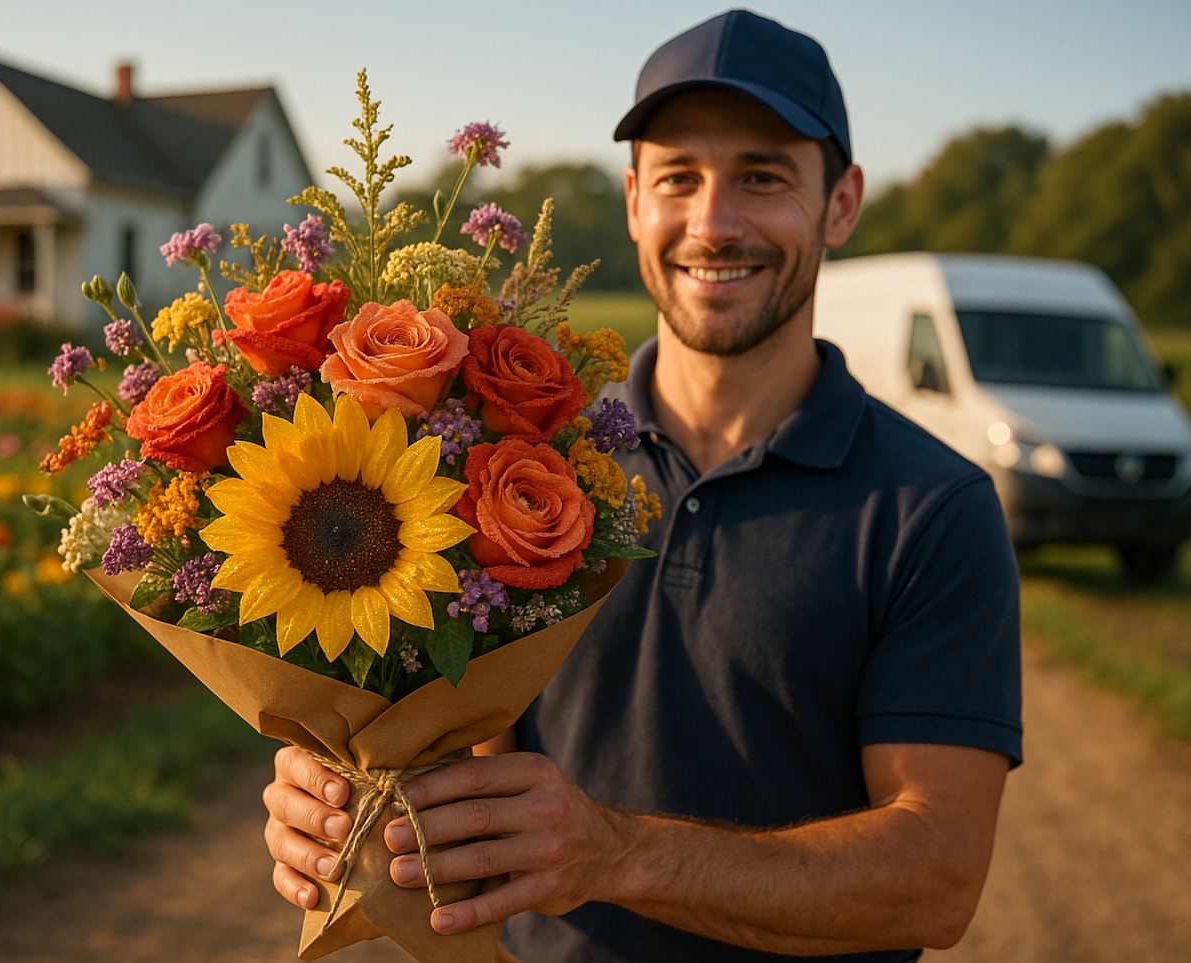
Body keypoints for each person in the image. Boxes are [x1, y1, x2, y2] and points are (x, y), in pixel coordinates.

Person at [262, 10, 1023, 962]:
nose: (713, 223)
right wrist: (337, 793)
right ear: (632, 202)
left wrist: (613, 854)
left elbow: (934, 882)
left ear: (840, 203)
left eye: (762, 176)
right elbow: (468, 765)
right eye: (678, 179)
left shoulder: (930, 508)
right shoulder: (512, 461)